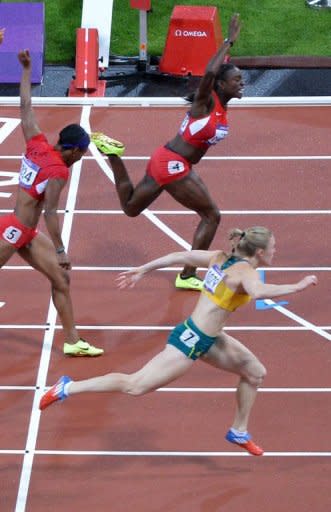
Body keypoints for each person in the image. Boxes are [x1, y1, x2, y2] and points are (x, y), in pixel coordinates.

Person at [39, 226, 317, 455]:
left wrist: (144, 269)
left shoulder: (220, 257)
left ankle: (238, 431)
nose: (275, 251)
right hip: (190, 342)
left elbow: (177, 256)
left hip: (211, 338)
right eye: (273, 248)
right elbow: (257, 292)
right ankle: (68, 387)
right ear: (259, 252)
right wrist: (297, 285)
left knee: (255, 373)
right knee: (135, 385)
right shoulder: (245, 272)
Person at [90, 14, 243, 291]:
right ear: (221, 85)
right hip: (174, 165)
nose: (242, 83)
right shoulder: (206, 102)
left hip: (166, 159)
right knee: (212, 215)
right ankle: (187, 275)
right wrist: (228, 42)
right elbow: (209, 73)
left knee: (131, 208)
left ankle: (112, 154)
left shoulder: (221, 107)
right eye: (236, 80)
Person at [0, 50, 103, 356]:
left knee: (61, 279)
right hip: (14, 232)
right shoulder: (58, 171)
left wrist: (27, 70)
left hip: (24, 232)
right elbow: (51, 212)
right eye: (82, 154)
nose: (81, 159)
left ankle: (72, 340)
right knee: (61, 269)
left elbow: (25, 107)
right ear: (72, 150)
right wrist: (60, 249)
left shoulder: (37, 142)